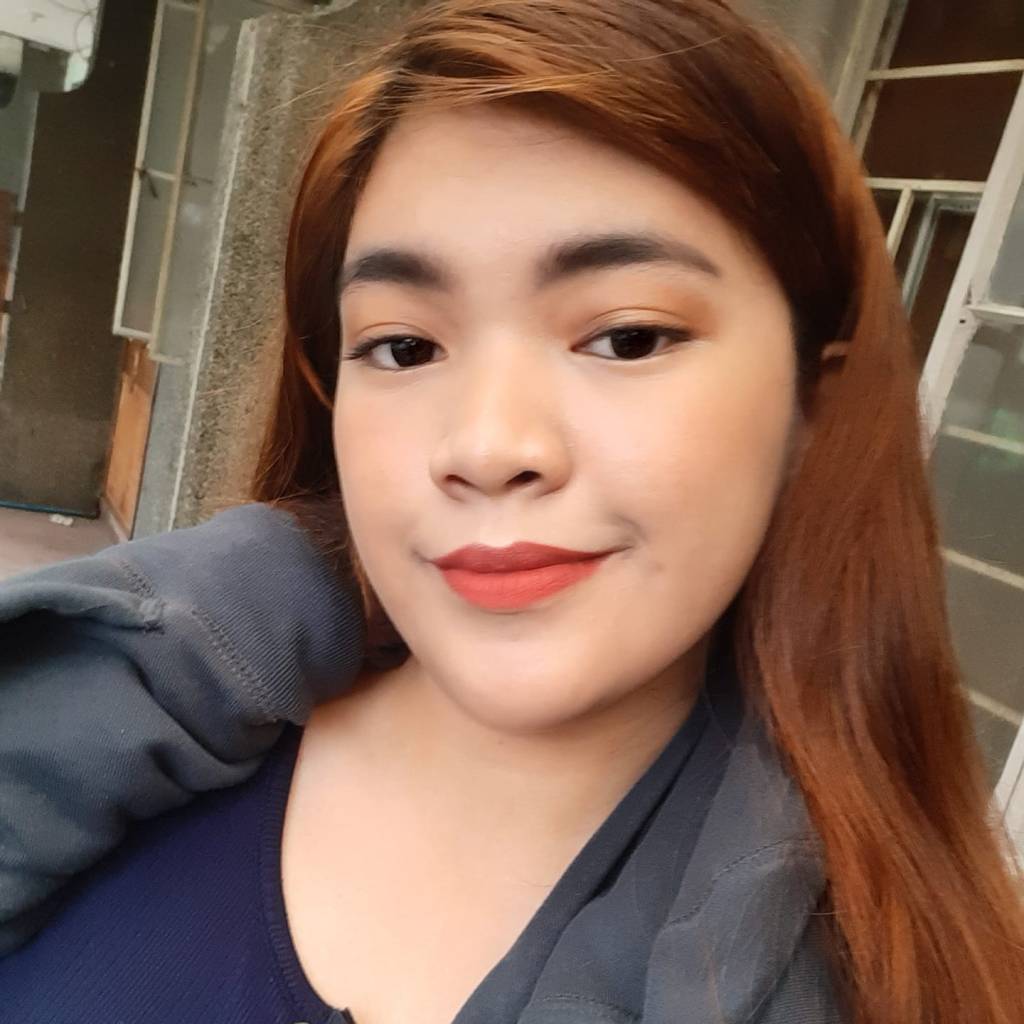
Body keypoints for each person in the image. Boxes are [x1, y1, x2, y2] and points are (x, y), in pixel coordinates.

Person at [1, 0, 1023, 1022]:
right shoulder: (108, 706)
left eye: (627, 337)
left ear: (813, 408)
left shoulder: (918, 976)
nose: (486, 447)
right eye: (403, 347)